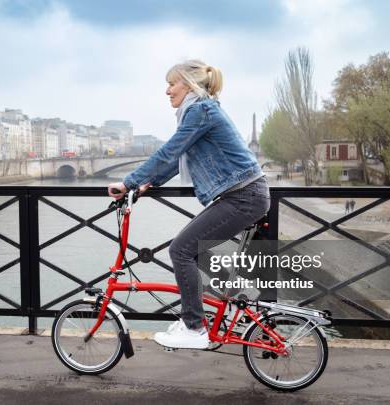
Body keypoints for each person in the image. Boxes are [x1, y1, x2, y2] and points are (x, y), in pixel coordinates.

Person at [107, 60, 270, 349]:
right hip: (244, 195)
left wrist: (129, 182)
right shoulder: (199, 110)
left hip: (244, 196)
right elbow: (180, 159)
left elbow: (169, 151)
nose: (167, 91)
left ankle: (194, 327)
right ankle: (205, 314)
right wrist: (149, 183)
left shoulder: (200, 110)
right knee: (189, 251)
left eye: (172, 84)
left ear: (190, 85)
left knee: (181, 250)